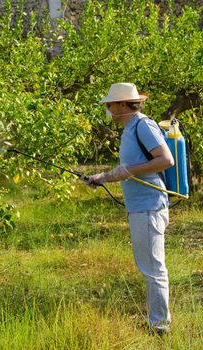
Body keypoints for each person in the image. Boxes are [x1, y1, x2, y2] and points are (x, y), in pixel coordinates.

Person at [87, 83, 174, 335]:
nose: (108, 109)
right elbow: (128, 169)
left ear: (123, 104)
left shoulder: (142, 125)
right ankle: (158, 322)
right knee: (148, 266)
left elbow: (166, 160)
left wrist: (129, 171)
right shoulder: (129, 129)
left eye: (110, 105)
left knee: (153, 269)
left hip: (149, 207)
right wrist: (101, 177)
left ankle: (159, 327)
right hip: (140, 208)